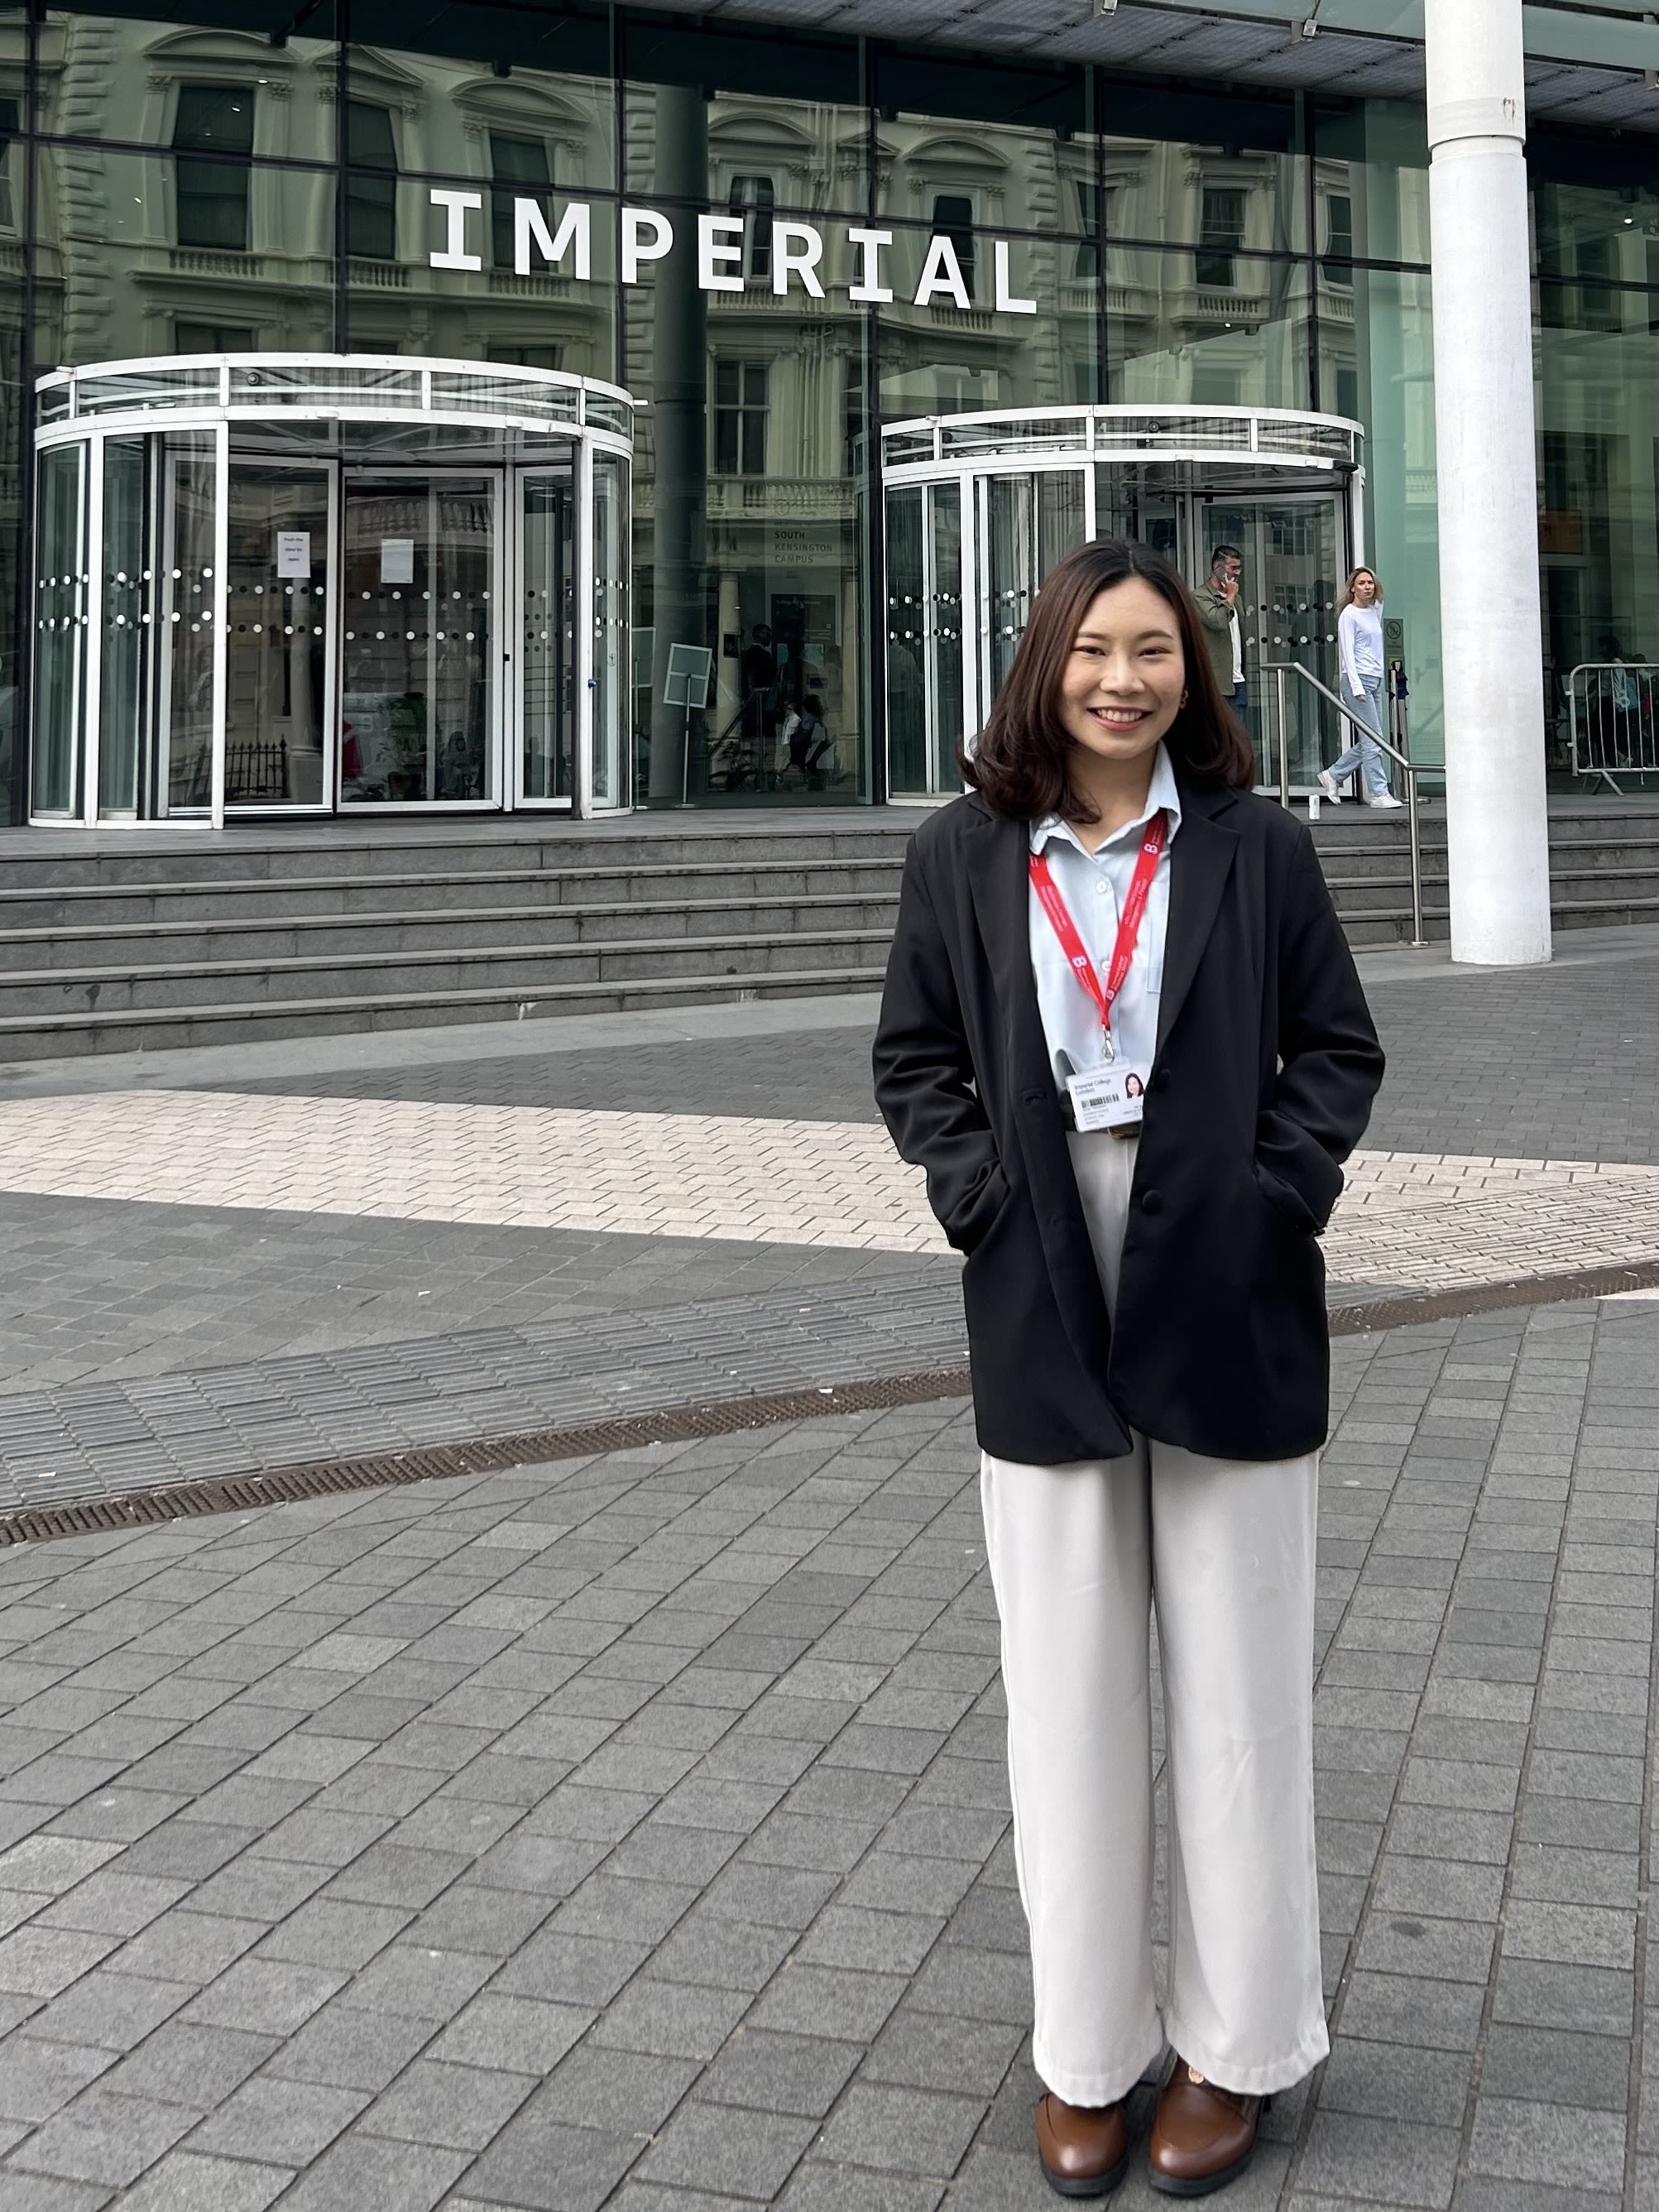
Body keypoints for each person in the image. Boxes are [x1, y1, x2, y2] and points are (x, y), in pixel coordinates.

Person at [873, 538, 1383, 2200]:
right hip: (1044, 1261)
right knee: (1068, 1693)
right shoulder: (963, 854)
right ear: (1047, 664)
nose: (1122, 678)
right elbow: (916, 1057)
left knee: (1236, 1688)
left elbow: (1338, 1045)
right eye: (1095, 648)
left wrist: (1274, 1189)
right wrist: (978, 1194)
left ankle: (1239, 2049)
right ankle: (1087, 2055)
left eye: (1153, 649)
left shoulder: (1256, 845)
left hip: (1221, 1264)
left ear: (1191, 671)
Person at [1319, 569, 1401, 809]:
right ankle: (1378, 792)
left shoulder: (1374, 611)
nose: (1367, 586)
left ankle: (1334, 774)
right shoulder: (1349, 615)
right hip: (1358, 681)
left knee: (1374, 739)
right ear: (1352, 588)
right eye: (1362, 583)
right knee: (1373, 740)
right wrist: (1356, 686)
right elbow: (1347, 654)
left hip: (1375, 679)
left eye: (1371, 583)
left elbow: (1379, 600)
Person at [1194, 545, 1248, 722]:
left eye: (1239, 568)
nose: (1237, 573)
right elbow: (1217, 622)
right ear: (1217, 568)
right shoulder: (1200, 597)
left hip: (1237, 680)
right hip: (1215, 683)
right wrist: (1230, 597)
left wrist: (1232, 597)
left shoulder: (1237, 599)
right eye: (1233, 568)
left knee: (1237, 738)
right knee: (1216, 737)